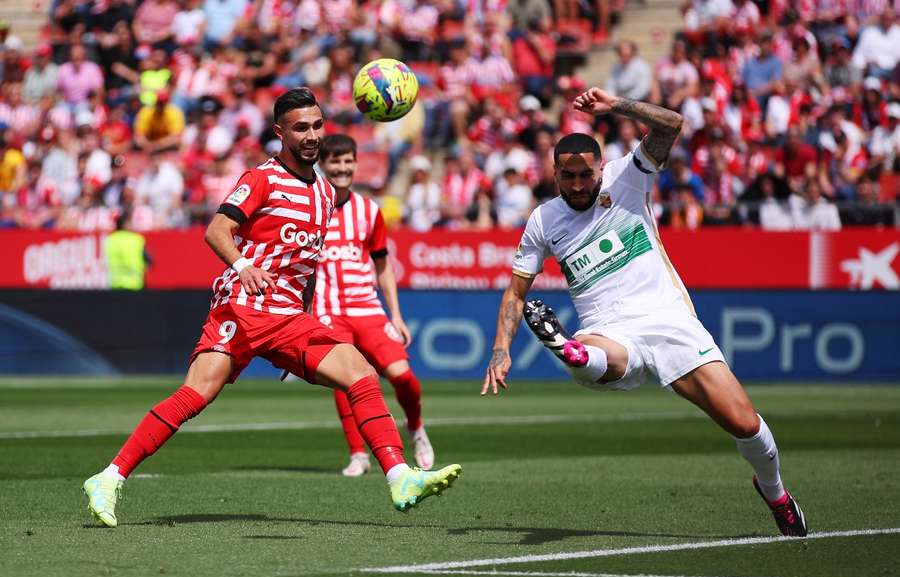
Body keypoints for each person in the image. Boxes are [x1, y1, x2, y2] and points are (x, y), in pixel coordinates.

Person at [82, 88, 461, 528]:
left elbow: (308, 267)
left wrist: (296, 331)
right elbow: (217, 230)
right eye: (301, 128)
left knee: (360, 372)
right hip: (241, 309)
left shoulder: (323, 194)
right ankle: (109, 477)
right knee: (195, 395)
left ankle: (400, 476)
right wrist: (243, 265)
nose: (312, 135)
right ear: (280, 132)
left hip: (287, 319)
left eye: (317, 125)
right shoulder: (261, 178)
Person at [481, 87, 808, 538]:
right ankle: (570, 351)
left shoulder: (627, 177)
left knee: (744, 424)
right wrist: (501, 350)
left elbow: (672, 124)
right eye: (567, 176)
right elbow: (516, 292)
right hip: (607, 328)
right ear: (554, 172)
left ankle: (775, 493)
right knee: (590, 358)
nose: (578, 185)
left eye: (586, 175)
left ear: (600, 168)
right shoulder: (543, 220)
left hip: (667, 318)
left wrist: (616, 106)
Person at [308, 134, 435, 477]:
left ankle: (416, 429)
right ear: (323, 164)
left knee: (404, 378)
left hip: (368, 309)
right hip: (327, 312)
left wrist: (396, 314)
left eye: (348, 160)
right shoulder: (308, 208)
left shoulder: (368, 211)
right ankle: (357, 454)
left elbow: (383, 266)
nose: (343, 167)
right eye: (335, 161)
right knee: (344, 381)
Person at [105, 211, 153, 290]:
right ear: (125, 224)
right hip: (134, 285)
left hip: (115, 285)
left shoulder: (110, 239)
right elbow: (149, 261)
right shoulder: (136, 239)